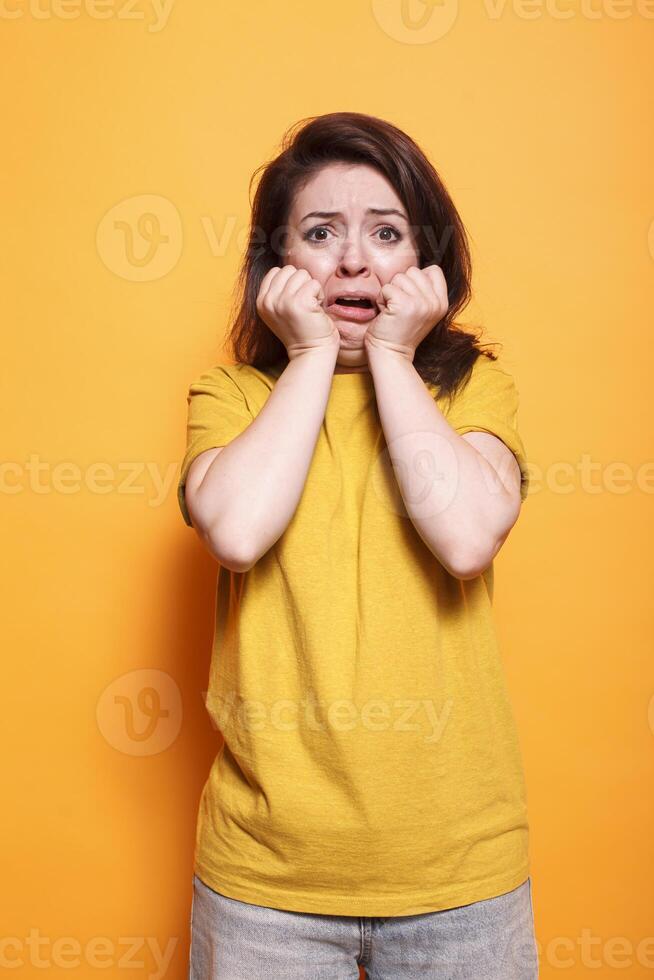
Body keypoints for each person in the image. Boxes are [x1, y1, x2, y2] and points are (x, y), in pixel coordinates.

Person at [178, 111, 538, 979]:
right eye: (319, 233)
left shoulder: (473, 389)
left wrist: (391, 355)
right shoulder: (230, 394)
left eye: (386, 233)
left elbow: (463, 540)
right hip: (265, 884)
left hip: (462, 878)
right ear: (279, 268)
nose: (353, 260)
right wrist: (308, 357)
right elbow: (235, 531)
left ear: (425, 263)